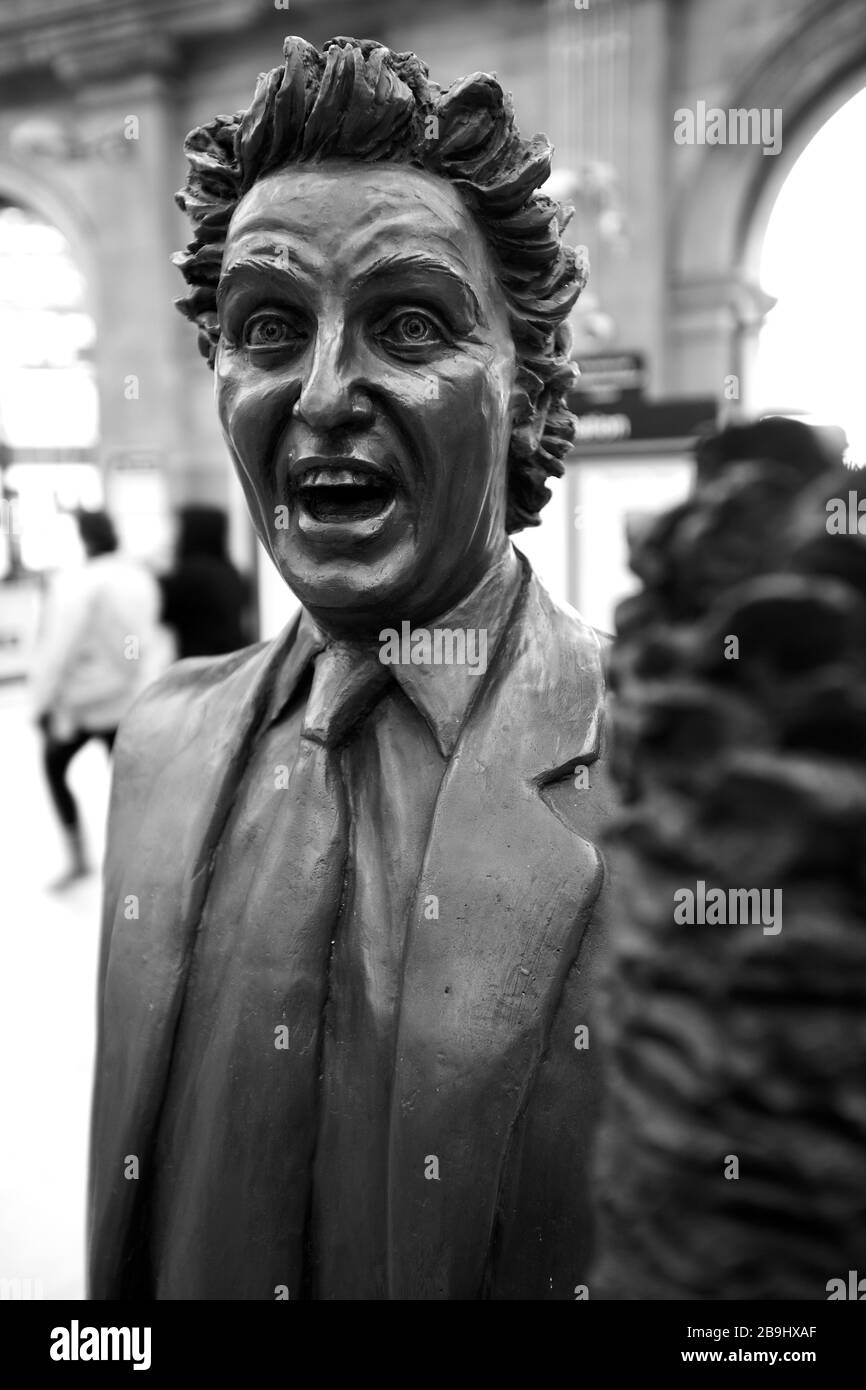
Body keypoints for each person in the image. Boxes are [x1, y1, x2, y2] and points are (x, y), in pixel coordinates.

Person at [88, 36, 614, 1300]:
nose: (324, 390)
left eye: (410, 322)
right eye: (268, 327)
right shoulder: (157, 746)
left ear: (531, 398)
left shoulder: (692, 774)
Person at [31, 509, 161, 889]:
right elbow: (142, 643)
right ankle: (135, 866)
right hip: (130, 699)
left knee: (54, 767)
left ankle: (79, 859)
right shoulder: (139, 577)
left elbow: (58, 651)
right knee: (127, 786)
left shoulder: (78, 584)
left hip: (87, 702)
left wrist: (42, 702)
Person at [159, 504, 249, 658]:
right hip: (236, 659)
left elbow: (162, 611)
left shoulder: (190, 574)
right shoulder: (231, 572)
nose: (175, 538)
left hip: (202, 667)